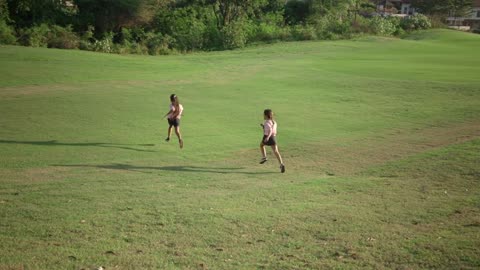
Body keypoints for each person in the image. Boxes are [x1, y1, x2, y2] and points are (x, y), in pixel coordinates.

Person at [259, 109, 285, 173]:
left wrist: (267, 137)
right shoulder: (274, 122)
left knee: (261, 145)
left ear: (266, 115)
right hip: (273, 137)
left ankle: (264, 157)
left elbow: (270, 130)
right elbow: (272, 129)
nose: (263, 116)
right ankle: (281, 164)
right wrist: (263, 126)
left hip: (267, 136)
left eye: (264, 115)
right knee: (276, 151)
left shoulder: (267, 122)